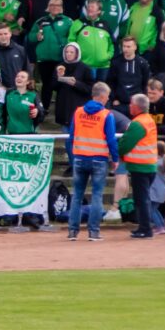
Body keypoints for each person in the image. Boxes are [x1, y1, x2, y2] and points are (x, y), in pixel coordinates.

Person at [66, 82, 117, 242]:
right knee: (97, 195)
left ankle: (73, 231)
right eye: (107, 96)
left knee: (77, 196)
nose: (108, 99)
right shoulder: (106, 115)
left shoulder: (78, 112)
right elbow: (111, 140)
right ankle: (93, 231)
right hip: (98, 159)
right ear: (102, 96)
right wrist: (115, 159)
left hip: (80, 157)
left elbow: (71, 137)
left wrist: (73, 157)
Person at [117, 94, 160, 239]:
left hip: (140, 166)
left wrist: (119, 153)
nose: (129, 106)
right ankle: (144, 227)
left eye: (131, 104)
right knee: (143, 199)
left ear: (136, 107)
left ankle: (145, 229)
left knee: (141, 200)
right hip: (148, 165)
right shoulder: (148, 120)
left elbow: (126, 143)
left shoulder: (137, 123)